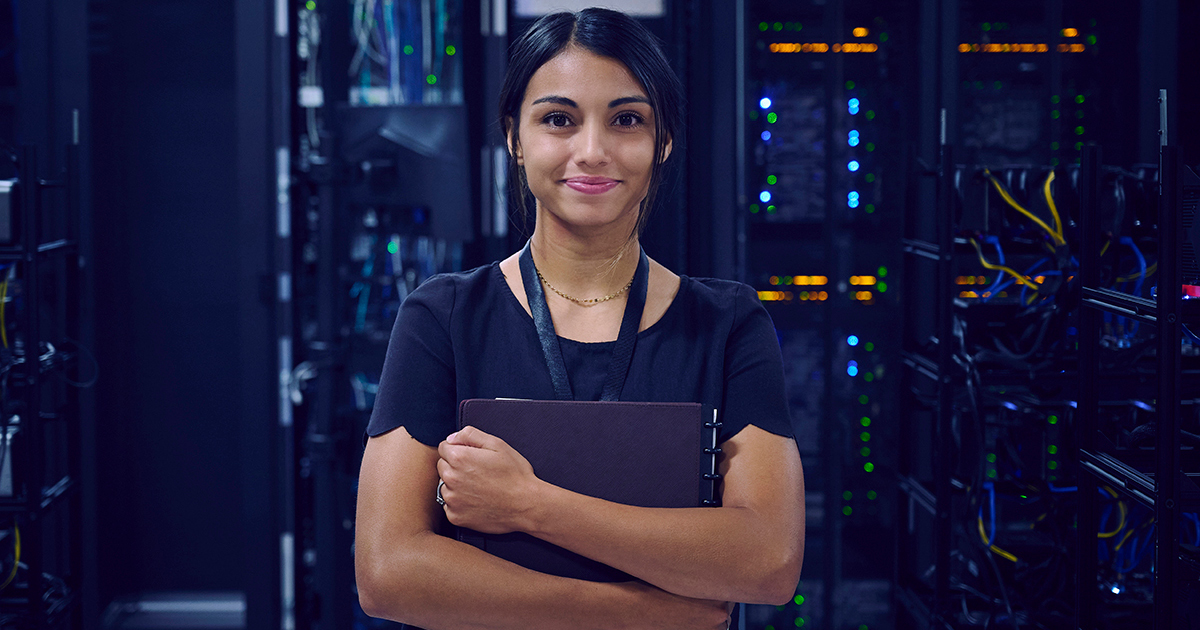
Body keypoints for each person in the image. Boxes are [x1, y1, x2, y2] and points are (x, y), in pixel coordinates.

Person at [354, 8, 804, 630]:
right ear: (514, 137)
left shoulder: (727, 325)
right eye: (558, 120)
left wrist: (530, 504)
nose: (592, 151)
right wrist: (633, 613)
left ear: (664, 140)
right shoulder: (443, 318)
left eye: (626, 120)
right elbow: (387, 573)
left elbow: (769, 562)